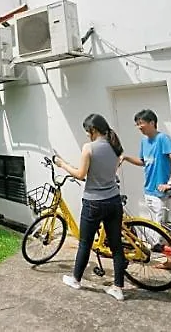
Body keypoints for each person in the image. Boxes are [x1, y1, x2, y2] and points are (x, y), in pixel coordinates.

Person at [53, 113, 127, 301]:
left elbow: (80, 174)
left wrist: (62, 164)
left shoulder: (89, 148)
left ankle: (76, 280)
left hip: (93, 202)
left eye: (87, 131)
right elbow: (113, 169)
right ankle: (118, 288)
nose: (87, 135)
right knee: (116, 245)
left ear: (93, 130)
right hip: (113, 201)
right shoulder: (115, 147)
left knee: (85, 242)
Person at [119, 109, 171, 262]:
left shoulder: (163, 139)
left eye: (141, 123)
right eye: (137, 124)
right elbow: (143, 162)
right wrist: (126, 158)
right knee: (164, 228)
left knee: (161, 230)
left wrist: (170, 183)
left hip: (162, 192)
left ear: (152, 123)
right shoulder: (144, 142)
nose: (139, 127)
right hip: (149, 190)